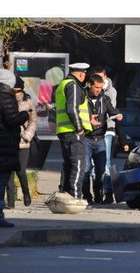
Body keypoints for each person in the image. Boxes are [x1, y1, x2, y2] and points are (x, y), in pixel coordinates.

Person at [82, 74, 123, 205]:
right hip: (86, 138)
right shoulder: (81, 98)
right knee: (86, 169)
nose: (98, 90)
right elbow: (76, 113)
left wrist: (117, 115)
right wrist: (88, 120)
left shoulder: (104, 99)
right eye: (96, 87)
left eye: (100, 87)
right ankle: (87, 196)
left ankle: (98, 194)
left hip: (100, 139)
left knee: (100, 170)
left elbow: (112, 111)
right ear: (90, 85)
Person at [56, 63, 93, 200]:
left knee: (69, 165)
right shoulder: (73, 85)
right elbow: (72, 109)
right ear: (81, 74)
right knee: (78, 165)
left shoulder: (63, 84)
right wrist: (79, 128)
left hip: (64, 130)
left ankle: (65, 197)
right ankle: (75, 197)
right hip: (73, 131)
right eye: (84, 73)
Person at [0, 69, 30, 227]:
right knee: (1, 182)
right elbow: (11, 119)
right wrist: (24, 115)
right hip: (4, 146)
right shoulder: (6, 97)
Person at [6, 77, 37, 208]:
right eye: (14, 90)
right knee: (8, 172)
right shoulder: (6, 101)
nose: (17, 93)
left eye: (19, 91)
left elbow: (33, 121)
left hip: (23, 142)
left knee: (21, 171)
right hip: (8, 141)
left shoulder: (28, 102)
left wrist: (27, 135)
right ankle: (11, 201)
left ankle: (26, 193)